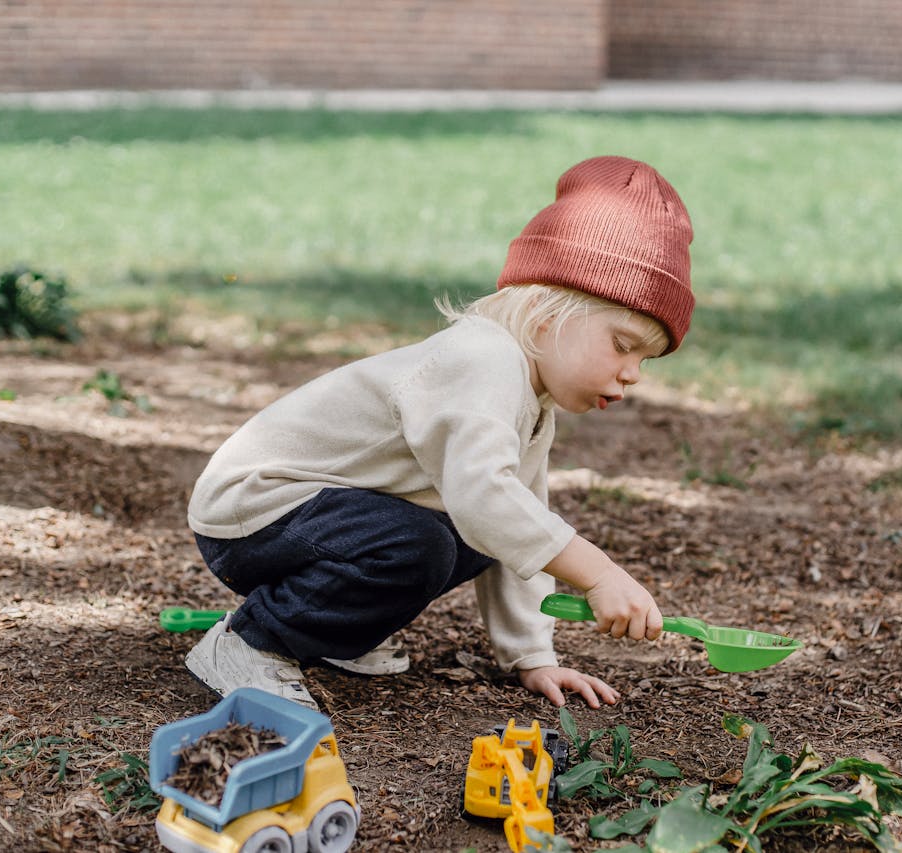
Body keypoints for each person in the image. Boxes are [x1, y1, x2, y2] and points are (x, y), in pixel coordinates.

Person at [183, 155, 696, 711]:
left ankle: (331, 635)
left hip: (318, 515)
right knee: (424, 543)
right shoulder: (483, 360)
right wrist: (598, 574)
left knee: (480, 534)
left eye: (647, 359)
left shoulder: (532, 399)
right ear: (549, 314)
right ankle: (251, 643)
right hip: (253, 509)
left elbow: (517, 526)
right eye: (623, 345)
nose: (632, 373)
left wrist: (533, 657)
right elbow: (485, 500)